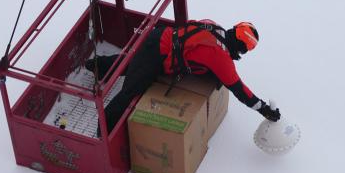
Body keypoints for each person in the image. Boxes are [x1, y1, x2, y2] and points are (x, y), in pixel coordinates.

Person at [86, 19, 281, 135]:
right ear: (241, 48)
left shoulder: (214, 27)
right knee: (129, 91)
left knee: (131, 64)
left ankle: (96, 65)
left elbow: (194, 47)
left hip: (159, 37)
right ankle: (102, 133)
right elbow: (240, 91)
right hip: (158, 55)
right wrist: (264, 109)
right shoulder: (220, 58)